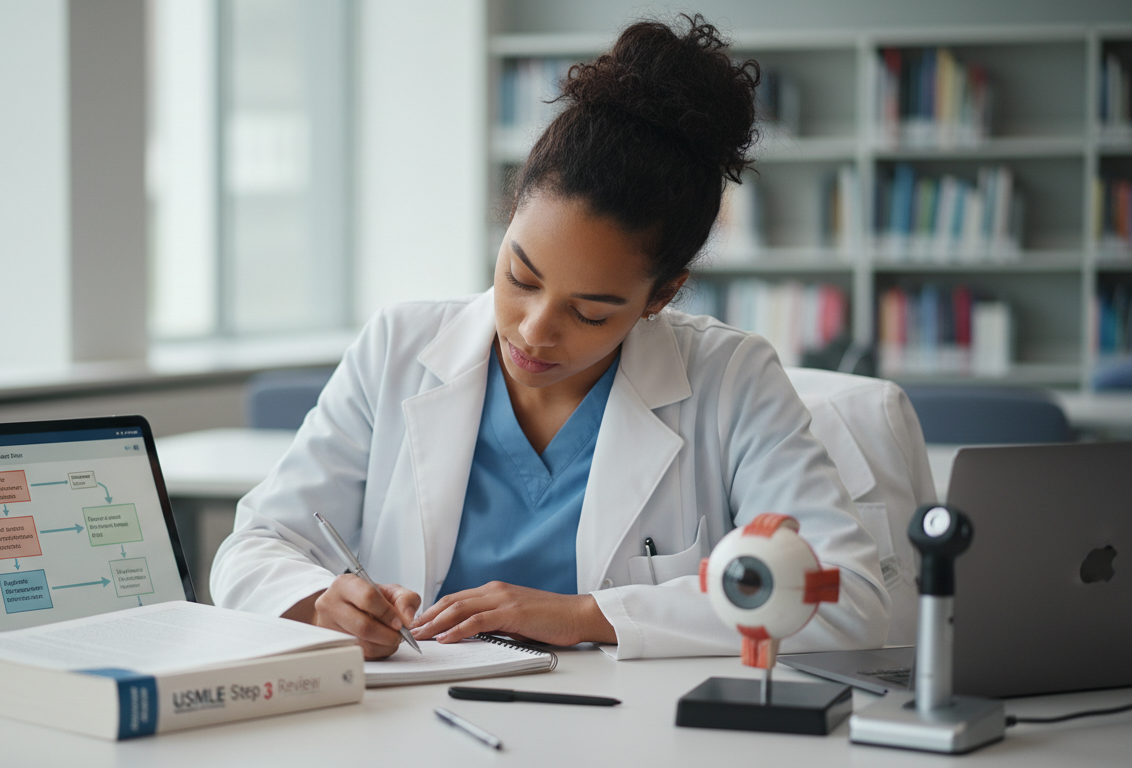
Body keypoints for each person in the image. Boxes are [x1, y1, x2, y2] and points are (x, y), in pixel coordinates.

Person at [210, 15, 890, 660]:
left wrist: (588, 616)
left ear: (662, 295)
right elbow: (254, 548)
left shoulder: (732, 379)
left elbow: (850, 596)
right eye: (520, 276)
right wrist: (320, 601)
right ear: (509, 218)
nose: (534, 329)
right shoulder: (399, 346)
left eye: (590, 312)